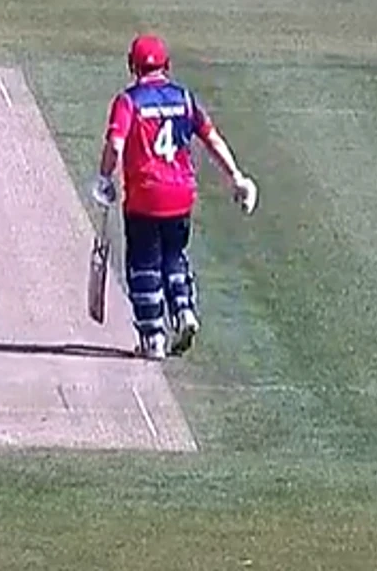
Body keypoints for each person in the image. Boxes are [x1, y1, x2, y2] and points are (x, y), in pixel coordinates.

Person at [92, 35, 259, 360]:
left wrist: (104, 178)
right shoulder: (184, 99)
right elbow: (212, 139)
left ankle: (153, 337)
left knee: (143, 265)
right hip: (181, 195)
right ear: (166, 65)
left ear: (132, 66)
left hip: (145, 197)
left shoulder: (128, 102)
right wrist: (236, 177)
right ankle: (184, 310)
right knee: (174, 257)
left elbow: (115, 144)